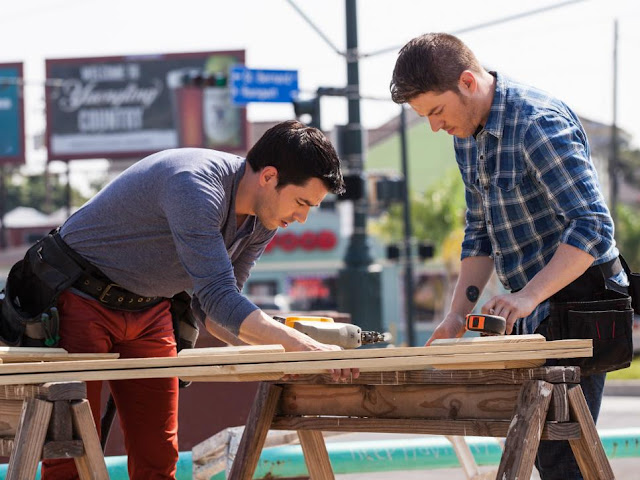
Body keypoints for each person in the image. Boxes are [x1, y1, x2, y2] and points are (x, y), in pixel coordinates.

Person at [18, 120, 358, 480]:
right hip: (83, 298)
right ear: (269, 177)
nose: (302, 218)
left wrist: (281, 354)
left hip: (151, 309)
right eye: (302, 202)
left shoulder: (264, 221)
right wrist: (299, 344)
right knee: (69, 452)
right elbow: (218, 297)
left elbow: (218, 314)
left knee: (159, 456)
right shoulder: (194, 185)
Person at [390, 33, 630, 480]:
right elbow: (478, 233)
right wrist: (456, 316)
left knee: (560, 449)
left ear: (467, 82)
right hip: (535, 304)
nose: (435, 128)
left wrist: (527, 296)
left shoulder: (537, 123)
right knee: (538, 443)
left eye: (436, 112)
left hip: (583, 299)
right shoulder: (467, 134)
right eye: (425, 118)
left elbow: (593, 227)